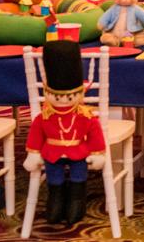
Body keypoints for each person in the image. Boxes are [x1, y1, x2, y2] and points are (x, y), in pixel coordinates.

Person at [24, 41, 107, 227]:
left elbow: (94, 132)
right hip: (52, 153)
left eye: (68, 97)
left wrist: (97, 153)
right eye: (57, 96)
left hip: (78, 152)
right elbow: (36, 133)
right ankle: (56, 199)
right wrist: (33, 153)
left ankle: (77, 200)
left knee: (79, 176)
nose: (63, 101)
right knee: (54, 178)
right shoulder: (44, 116)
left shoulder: (85, 115)